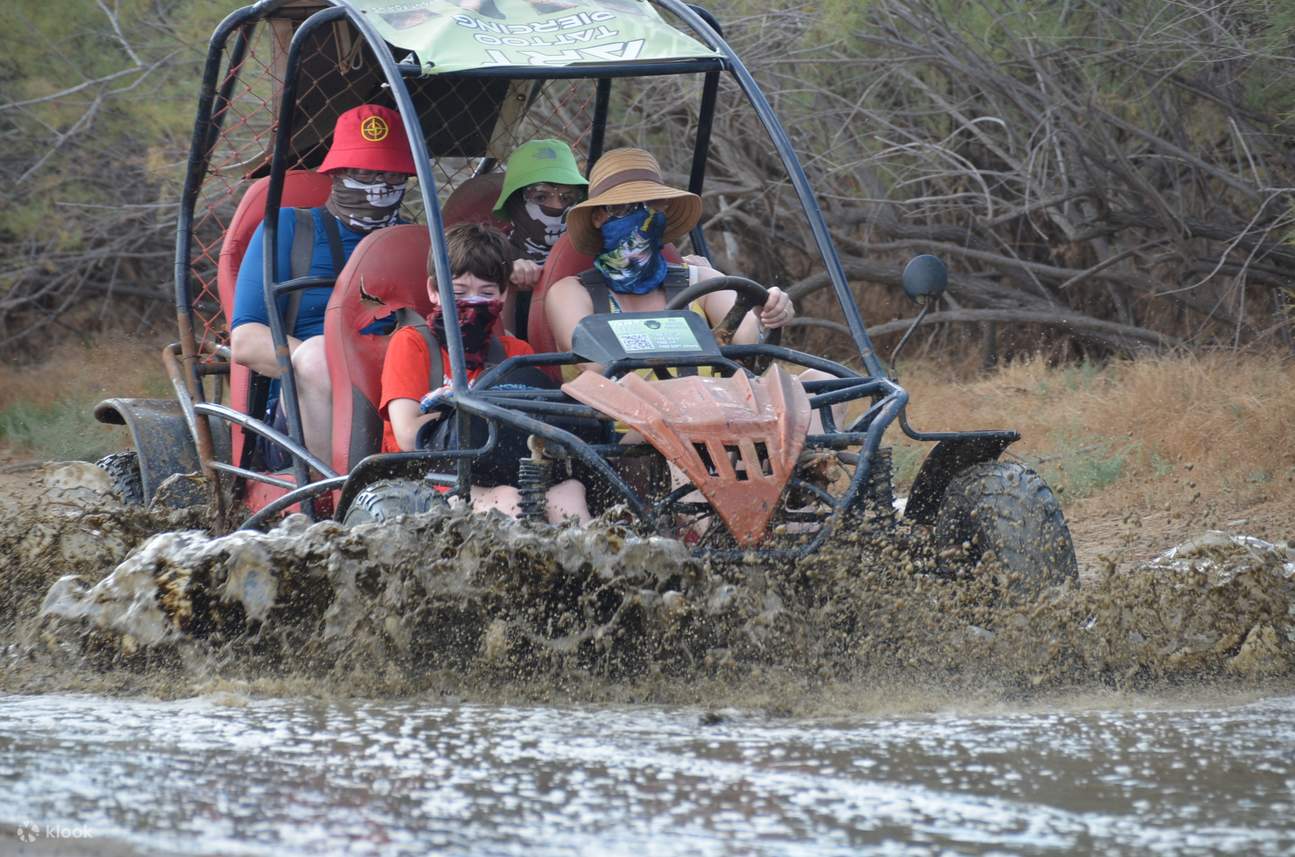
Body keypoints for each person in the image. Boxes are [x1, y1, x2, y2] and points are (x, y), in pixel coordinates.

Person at [231, 103, 415, 464]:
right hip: (300, 415)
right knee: (318, 355)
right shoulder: (289, 228)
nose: (380, 187)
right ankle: (331, 496)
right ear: (336, 173)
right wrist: (323, 364)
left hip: (401, 395)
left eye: (393, 176)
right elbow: (246, 341)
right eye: (365, 173)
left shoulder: (412, 240)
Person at [380, 222, 590, 523]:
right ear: (434, 291)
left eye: (486, 292)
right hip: (425, 474)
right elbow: (407, 433)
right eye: (459, 291)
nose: (472, 302)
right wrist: (473, 417)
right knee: (505, 499)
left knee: (568, 492)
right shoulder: (412, 343)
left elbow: (537, 427)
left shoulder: (516, 354)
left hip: (500, 467)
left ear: (503, 296)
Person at [545, 147, 795, 367]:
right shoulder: (570, 293)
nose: (642, 217)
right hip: (620, 419)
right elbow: (596, 366)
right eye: (623, 208)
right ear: (598, 217)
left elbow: (747, 340)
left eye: (652, 204)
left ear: (664, 211)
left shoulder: (700, 282)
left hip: (711, 411)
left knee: (815, 378)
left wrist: (767, 311)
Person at [490, 138, 587, 337]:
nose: (558, 207)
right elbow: (495, 349)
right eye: (541, 197)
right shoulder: (488, 255)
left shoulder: (588, 254)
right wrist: (506, 278)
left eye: (567, 198)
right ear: (514, 202)